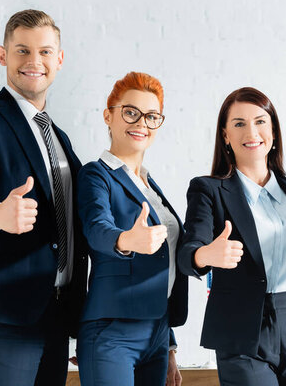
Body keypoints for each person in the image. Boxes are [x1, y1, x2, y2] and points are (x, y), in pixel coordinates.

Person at [0, 9, 88, 386]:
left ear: (59, 59)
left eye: (44, 52)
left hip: (56, 314)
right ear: (2, 55)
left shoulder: (60, 139)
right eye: (22, 50)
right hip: (3, 313)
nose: (33, 61)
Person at [178, 87, 286, 386]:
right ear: (225, 135)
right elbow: (188, 252)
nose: (252, 131)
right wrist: (205, 256)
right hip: (240, 326)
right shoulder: (208, 189)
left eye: (261, 121)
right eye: (239, 123)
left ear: (273, 129)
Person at [76, 72, 188, 386]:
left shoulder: (150, 185)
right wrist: (126, 239)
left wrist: (169, 346)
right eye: (130, 113)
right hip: (112, 330)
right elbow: (97, 228)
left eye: (151, 116)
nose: (141, 123)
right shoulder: (96, 175)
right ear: (108, 116)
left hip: (158, 333)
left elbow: (162, 269)